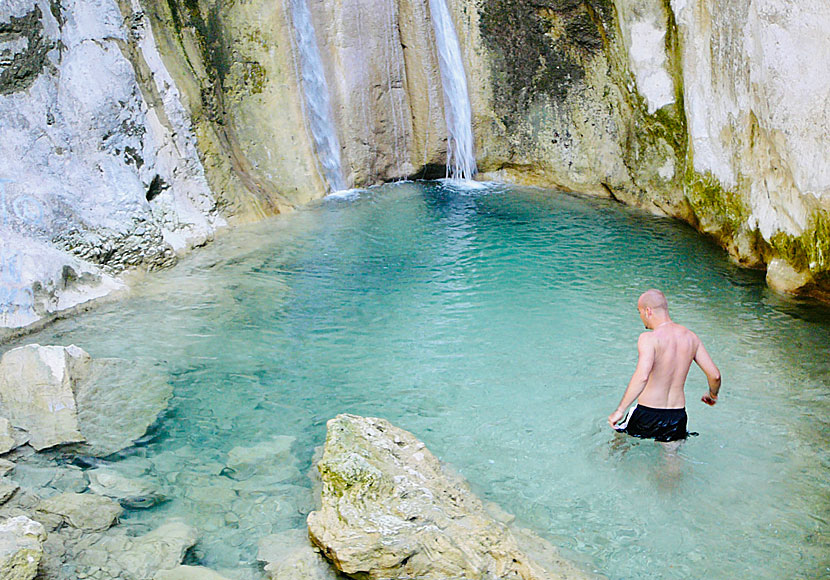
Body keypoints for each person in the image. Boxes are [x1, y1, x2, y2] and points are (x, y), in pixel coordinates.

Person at [608, 289, 721, 442]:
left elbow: (642, 376)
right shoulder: (691, 337)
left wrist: (620, 410)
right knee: (671, 461)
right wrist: (712, 395)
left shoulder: (649, 338)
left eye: (639, 312)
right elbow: (715, 375)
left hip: (647, 413)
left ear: (648, 311)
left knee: (617, 446)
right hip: (677, 416)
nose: (641, 317)